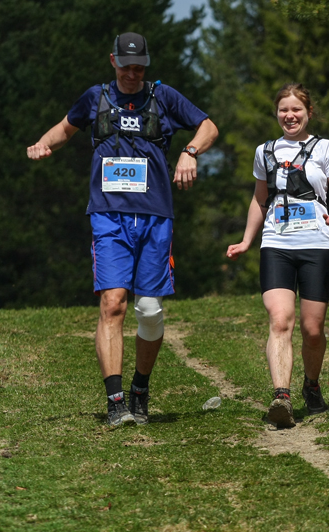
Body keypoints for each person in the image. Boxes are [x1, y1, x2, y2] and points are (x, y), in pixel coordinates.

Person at [27, 32, 218, 427]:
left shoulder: (163, 97)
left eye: (139, 68)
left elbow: (209, 127)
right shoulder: (95, 98)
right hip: (108, 214)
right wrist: (42, 144)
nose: (133, 74)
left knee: (148, 310)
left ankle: (140, 389)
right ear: (112, 61)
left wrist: (190, 152)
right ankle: (115, 402)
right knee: (113, 303)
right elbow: (64, 129)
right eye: (126, 66)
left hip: (155, 215)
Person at [226, 84, 329, 428]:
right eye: (284, 110)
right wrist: (247, 240)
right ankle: (281, 396)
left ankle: (312, 384)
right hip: (276, 244)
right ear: (276, 113)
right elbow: (259, 199)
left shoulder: (325, 148)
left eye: (296, 110)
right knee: (280, 321)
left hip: (317, 244)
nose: (290, 116)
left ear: (308, 112)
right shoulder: (264, 151)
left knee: (313, 329)